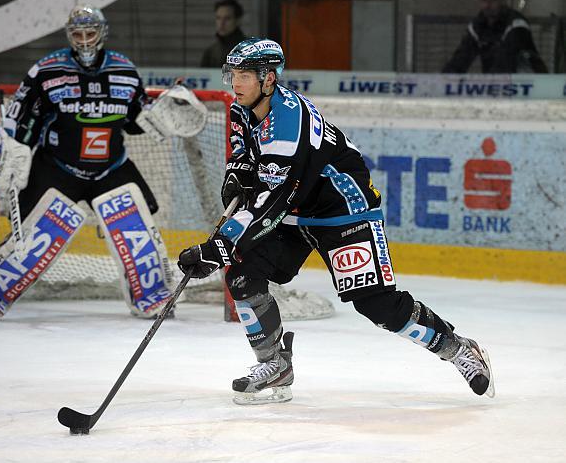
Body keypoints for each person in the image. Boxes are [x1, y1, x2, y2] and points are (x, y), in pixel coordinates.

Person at [178, 38, 496, 405]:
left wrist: (220, 246)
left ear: (268, 79)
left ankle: (458, 348)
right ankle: (274, 365)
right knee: (242, 273)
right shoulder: (242, 107)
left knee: (377, 306)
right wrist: (238, 173)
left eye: (244, 75)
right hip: (296, 209)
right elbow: (243, 154)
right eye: (232, 74)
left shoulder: (288, 122)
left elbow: (273, 202)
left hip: (341, 210)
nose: (235, 83)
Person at [0, 5, 205, 322]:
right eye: (78, 34)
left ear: (102, 33)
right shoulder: (46, 70)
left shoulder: (124, 70)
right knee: (35, 236)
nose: (84, 40)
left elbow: (134, 120)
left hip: (111, 168)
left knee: (135, 229)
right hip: (58, 167)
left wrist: (162, 114)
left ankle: (152, 296)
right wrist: (13, 148)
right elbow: (21, 115)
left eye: (90, 33)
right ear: (69, 36)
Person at [442, 0, 548, 73]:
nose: (487, 5)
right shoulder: (478, 26)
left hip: (530, 86)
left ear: (502, 1)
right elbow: (460, 59)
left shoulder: (517, 25)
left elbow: (507, 60)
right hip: (496, 86)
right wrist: (443, 81)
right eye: (484, 0)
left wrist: (489, 83)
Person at [200, 0, 246, 68]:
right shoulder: (211, 52)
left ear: (238, 21)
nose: (221, 23)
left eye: (227, 18)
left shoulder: (248, 49)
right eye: (218, 18)